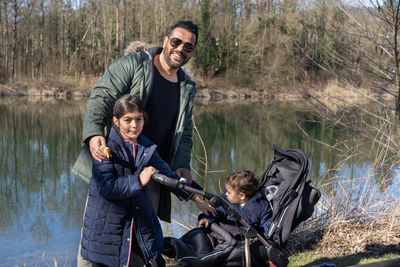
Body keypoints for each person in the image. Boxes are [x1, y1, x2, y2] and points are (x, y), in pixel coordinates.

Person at [74, 20, 216, 266]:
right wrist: (94, 132)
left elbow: (185, 132)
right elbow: (102, 96)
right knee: (100, 239)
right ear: (165, 40)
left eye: (188, 47)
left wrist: (181, 164)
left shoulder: (186, 86)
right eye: (176, 42)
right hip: (114, 165)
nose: (181, 49)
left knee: (140, 241)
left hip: (152, 171)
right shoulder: (134, 64)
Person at [80, 95, 199, 267]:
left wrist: (196, 198)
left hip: (135, 225)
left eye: (139, 119)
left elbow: (169, 176)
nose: (134, 125)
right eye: (127, 120)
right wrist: (139, 181)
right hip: (108, 232)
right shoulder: (103, 148)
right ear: (116, 121)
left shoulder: (146, 147)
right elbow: (108, 188)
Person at [197, 170, 272, 236]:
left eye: (229, 192)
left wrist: (267, 235)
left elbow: (266, 222)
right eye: (226, 191)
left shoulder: (260, 205)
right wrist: (206, 219)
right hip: (229, 236)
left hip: (251, 239)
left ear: (242, 195)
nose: (226, 194)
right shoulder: (225, 202)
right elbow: (214, 212)